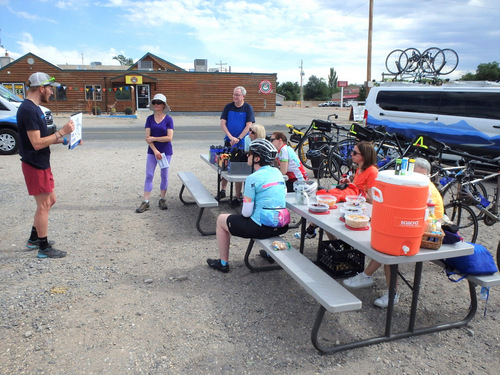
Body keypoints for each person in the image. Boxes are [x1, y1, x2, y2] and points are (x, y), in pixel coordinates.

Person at [343, 157, 443, 308]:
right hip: (413, 226)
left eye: (421, 175)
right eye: (413, 174)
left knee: (390, 250)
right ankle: (367, 276)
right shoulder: (412, 186)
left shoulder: (425, 189)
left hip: (428, 230)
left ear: (428, 176)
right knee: (386, 243)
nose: (415, 178)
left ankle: (391, 293)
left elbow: (422, 217)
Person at [207, 139, 289, 273]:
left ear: (257, 159)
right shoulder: (278, 173)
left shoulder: (252, 178)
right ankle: (269, 253)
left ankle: (223, 263)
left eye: (250, 154)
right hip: (281, 226)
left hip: (261, 228)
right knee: (266, 215)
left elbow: (246, 213)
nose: (247, 155)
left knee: (221, 220)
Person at [18, 72, 75, 258]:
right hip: (34, 164)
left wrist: (65, 139)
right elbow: (36, 143)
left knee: (51, 201)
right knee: (43, 205)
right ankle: (43, 248)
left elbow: (42, 139)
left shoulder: (34, 108)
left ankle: (34, 239)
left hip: (41, 162)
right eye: (50, 88)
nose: (52, 92)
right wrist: (62, 132)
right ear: (41, 88)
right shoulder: (28, 110)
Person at [299, 141, 378, 239]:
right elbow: (357, 189)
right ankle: (333, 243)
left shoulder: (372, 172)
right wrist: (349, 184)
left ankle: (312, 230)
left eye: (354, 153)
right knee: (325, 213)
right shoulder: (360, 168)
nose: (351, 154)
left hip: (362, 209)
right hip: (353, 205)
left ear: (365, 156)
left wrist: (353, 187)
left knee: (326, 217)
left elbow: (371, 200)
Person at [136, 93, 174, 213]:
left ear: (164, 105)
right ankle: (146, 201)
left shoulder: (168, 119)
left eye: (159, 103)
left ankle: (162, 198)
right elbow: (148, 138)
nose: (156, 105)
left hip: (166, 151)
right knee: (149, 175)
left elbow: (169, 137)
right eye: (154, 103)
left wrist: (154, 139)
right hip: (153, 151)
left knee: (164, 176)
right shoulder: (149, 119)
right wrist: (155, 149)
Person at [219, 86, 255, 206]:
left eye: (237, 95)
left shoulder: (247, 108)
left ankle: (238, 196)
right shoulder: (228, 107)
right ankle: (223, 189)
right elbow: (223, 123)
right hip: (229, 141)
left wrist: (239, 138)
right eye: (234, 94)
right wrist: (230, 137)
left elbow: (249, 125)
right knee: (225, 166)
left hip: (242, 144)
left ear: (243, 96)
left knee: (239, 170)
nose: (235, 97)